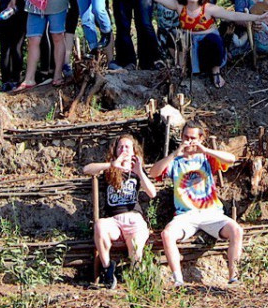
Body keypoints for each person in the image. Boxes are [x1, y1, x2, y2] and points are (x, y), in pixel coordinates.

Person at [134, 0, 268, 89]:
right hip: (188, 44)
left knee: (214, 40)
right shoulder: (179, 5)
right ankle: (181, 70)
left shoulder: (209, 8)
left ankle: (215, 72)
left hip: (207, 44)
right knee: (174, 36)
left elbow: (234, 15)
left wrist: (257, 17)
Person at [150, 121, 243, 286]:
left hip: (211, 212)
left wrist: (205, 149)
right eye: (186, 137)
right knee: (167, 234)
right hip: (185, 214)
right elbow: (153, 172)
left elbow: (231, 159)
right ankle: (178, 279)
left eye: (193, 138)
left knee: (236, 230)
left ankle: (233, 276)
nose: (189, 141)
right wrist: (174, 154)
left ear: (201, 138)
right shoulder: (175, 161)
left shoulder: (206, 157)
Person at [83, 134, 158, 288]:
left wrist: (139, 172)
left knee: (135, 253)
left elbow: (152, 193)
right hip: (114, 220)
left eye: (127, 147)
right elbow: (87, 169)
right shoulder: (110, 169)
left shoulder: (137, 171)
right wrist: (111, 164)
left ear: (134, 151)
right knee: (100, 226)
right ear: (116, 151)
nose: (124, 149)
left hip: (134, 219)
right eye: (120, 147)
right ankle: (107, 269)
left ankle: (135, 277)